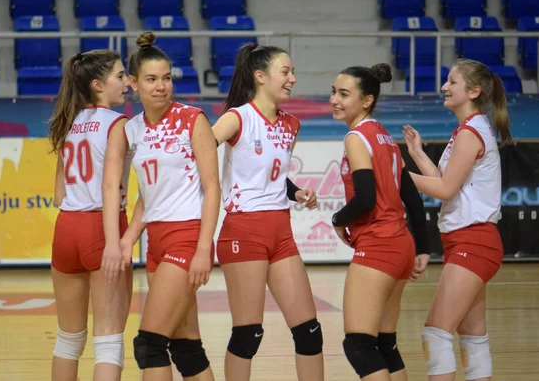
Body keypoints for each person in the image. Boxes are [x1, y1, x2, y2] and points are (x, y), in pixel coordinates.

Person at [211, 43, 324, 381]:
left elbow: (268, 171)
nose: (293, 79)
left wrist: (295, 191)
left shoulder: (291, 124)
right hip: (244, 232)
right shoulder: (237, 118)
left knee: (309, 331)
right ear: (260, 76)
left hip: (281, 231)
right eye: (285, 72)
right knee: (249, 334)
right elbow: (199, 152)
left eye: (292, 72)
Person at [119, 31, 220, 381]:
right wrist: (128, 238)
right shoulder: (132, 130)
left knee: (149, 344)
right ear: (133, 83)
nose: (161, 86)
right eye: (151, 79)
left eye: (166, 78)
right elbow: (149, 194)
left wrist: (204, 249)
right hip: (156, 242)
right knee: (186, 347)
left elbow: (212, 188)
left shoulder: (193, 119)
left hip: (187, 236)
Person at [403, 58, 511, 381]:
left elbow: (446, 189)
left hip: (473, 242)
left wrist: (396, 176)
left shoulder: (471, 132)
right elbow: (446, 182)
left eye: (451, 82)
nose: (444, 87)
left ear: (474, 91)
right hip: (469, 242)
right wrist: (419, 155)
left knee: (436, 335)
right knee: (473, 339)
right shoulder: (467, 130)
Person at [329, 63, 431, 381]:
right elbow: (413, 200)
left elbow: (365, 199)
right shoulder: (384, 137)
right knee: (385, 344)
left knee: (359, 344)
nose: (334, 99)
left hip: (379, 244)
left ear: (367, 100)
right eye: (334, 91)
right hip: (400, 244)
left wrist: (337, 219)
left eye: (344, 94)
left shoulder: (356, 138)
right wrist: (422, 248)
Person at [48, 49, 132, 381]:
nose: (127, 83)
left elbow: (58, 194)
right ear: (98, 84)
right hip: (103, 227)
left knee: (68, 339)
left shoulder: (69, 122)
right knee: (109, 342)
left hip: (66, 229)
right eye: (121, 76)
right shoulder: (118, 123)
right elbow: (110, 187)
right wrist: (113, 241)